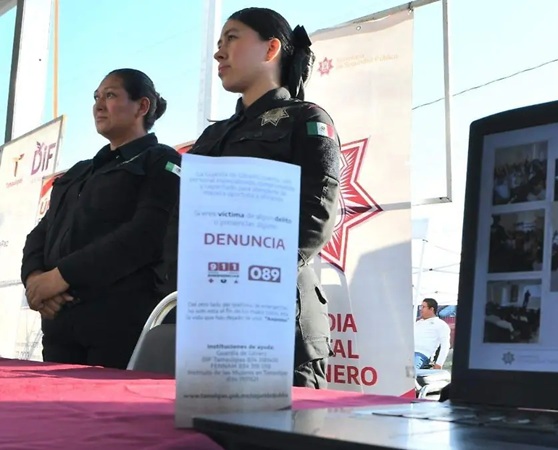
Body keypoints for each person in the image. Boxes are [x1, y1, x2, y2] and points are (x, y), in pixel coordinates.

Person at [160, 7, 341, 389]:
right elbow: (183, 219)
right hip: (205, 320)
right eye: (218, 42)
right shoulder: (212, 137)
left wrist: (251, 284)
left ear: (271, 48)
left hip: (278, 321)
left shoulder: (305, 118)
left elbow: (316, 213)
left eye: (232, 38)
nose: (219, 53)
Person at [20, 69, 180, 369]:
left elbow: (145, 235)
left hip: (117, 327)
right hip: (59, 325)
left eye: (110, 95)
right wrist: (35, 281)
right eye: (96, 97)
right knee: (54, 414)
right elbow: (41, 233)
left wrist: (60, 277)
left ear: (142, 106)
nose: (98, 105)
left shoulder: (161, 162)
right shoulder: (81, 171)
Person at [413, 298, 451, 370]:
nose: (421, 309)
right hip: (407, 353)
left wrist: (439, 364)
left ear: (431, 309)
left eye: (423, 307)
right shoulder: (417, 323)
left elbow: (445, 345)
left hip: (421, 355)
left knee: (408, 372)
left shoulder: (441, 325)